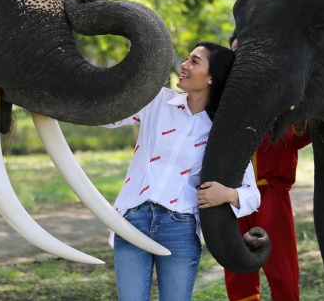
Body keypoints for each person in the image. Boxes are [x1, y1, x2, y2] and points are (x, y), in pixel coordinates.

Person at [104, 41, 261, 301]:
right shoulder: (157, 100)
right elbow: (110, 118)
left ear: (212, 77)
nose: (183, 66)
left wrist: (226, 195)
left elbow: (252, 195)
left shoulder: (224, 132)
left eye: (194, 61)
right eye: (187, 59)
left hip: (179, 228)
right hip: (133, 218)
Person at [224, 34, 311, 301]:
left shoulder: (283, 91)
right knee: (237, 267)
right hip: (230, 195)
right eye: (236, 52)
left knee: (280, 265)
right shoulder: (225, 96)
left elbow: (299, 137)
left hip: (270, 193)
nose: (241, 58)